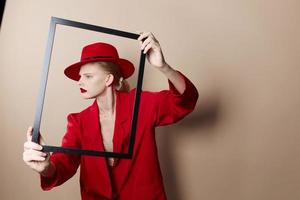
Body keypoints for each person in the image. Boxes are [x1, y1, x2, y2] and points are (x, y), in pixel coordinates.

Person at [23, 32, 198, 200]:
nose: (79, 81)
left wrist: (163, 67)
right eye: (80, 76)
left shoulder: (141, 104)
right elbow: (63, 166)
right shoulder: (78, 121)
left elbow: (184, 100)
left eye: (88, 76)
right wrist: (45, 167)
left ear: (108, 79)